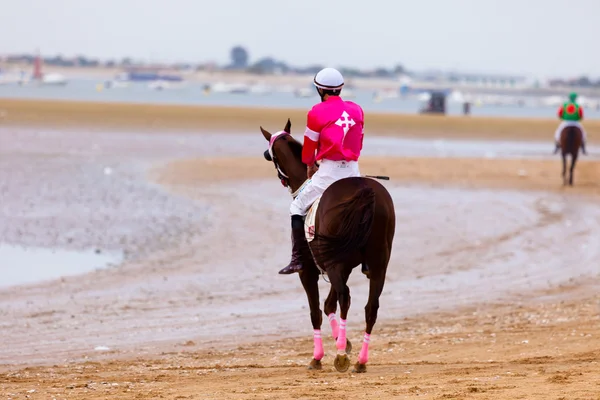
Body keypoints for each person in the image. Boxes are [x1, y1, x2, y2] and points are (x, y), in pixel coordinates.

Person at [278, 67, 365, 275]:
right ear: (340, 88)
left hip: (329, 173)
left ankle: (297, 259)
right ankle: (367, 260)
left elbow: (309, 148)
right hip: (353, 171)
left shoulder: (316, 112)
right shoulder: (357, 109)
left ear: (320, 90)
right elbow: (359, 140)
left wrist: (310, 165)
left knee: (296, 208)